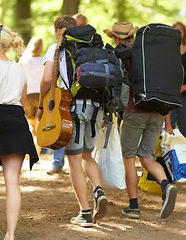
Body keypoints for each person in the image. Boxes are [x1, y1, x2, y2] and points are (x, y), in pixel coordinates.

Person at [37, 15, 107, 227]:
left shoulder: (57, 46)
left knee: (74, 160)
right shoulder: (93, 44)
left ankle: (85, 213)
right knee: (87, 155)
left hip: (71, 108)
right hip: (97, 107)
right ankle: (98, 190)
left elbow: (48, 79)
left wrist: (41, 106)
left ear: (58, 30)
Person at [104, 21, 177, 219]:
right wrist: (167, 119)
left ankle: (133, 206)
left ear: (115, 38)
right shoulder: (150, 52)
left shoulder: (119, 54)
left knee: (128, 158)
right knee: (146, 158)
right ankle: (166, 185)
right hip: (157, 111)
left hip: (133, 110)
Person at [0, 25, 39, 240]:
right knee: (12, 181)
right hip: (15, 120)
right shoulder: (19, 69)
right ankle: (11, 234)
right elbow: (22, 103)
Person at [46, 13, 88, 175]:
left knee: (61, 125)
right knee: (61, 126)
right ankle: (58, 162)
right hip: (71, 95)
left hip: (74, 95)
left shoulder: (59, 46)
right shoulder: (85, 46)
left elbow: (47, 78)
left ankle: (66, 164)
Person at [19, 37, 45, 157]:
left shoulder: (24, 61)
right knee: (39, 126)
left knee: (29, 125)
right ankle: (36, 153)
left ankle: (27, 152)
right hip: (41, 95)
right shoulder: (44, 60)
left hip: (27, 94)